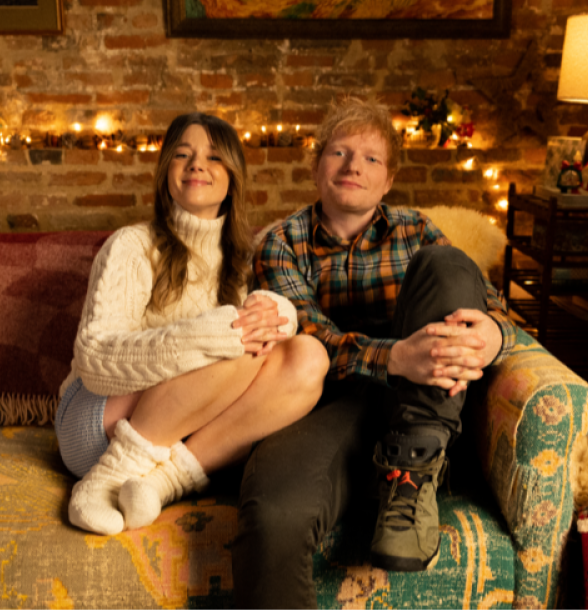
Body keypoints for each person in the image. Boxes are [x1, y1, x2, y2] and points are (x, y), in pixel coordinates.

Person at [235, 98, 519, 608]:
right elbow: (309, 334)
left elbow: (491, 308)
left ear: (388, 180)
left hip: (423, 405)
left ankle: (414, 470)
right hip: (322, 404)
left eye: (371, 158)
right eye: (339, 152)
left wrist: (495, 336)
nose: (353, 166)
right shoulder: (280, 243)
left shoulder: (417, 230)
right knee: (273, 514)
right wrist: (396, 357)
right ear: (316, 167)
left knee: (449, 265)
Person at [56, 112, 329, 536]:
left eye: (214, 157)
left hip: (187, 437)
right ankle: (107, 478)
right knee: (236, 338)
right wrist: (212, 335)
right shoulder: (132, 245)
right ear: (166, 171)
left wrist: (280, 315)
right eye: (183, 154)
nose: (197, 164)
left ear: (233, 177)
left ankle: (162, 484)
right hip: (97, 421)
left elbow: (273, 331)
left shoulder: (246, 257)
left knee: (309, 357)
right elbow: (94, 359)